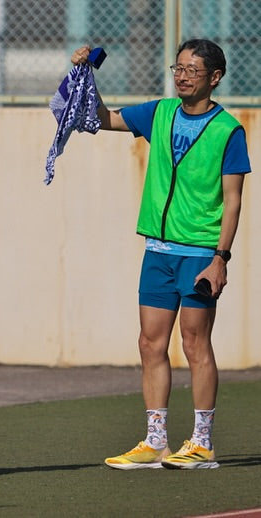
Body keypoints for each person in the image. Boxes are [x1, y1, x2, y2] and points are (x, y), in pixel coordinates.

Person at [70, 40, 251, 470]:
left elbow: (233, 200)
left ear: (215, 77)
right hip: (157, 251)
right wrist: (84, 75)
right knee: (150, 344)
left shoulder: (229, 130)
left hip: (200, 253)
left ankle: (202, 443)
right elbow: (100, 118)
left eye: (192, 69)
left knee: (194, 342)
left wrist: (221, 257)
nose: (182, 75)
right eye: (178, 66)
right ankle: (155, 442)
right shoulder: (160, 112)